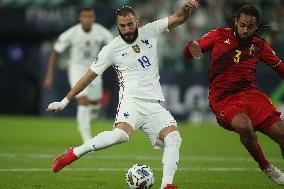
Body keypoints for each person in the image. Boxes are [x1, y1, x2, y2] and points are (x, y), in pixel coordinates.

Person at [47, 1, 199, 189]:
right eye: (122, 26)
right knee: (121, 135)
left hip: (153, 104)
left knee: (174, 138)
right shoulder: (111, 49)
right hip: (131, 100)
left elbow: (178, 18)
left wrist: (185, 10)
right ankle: (73, 153)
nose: (126, 29)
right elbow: (87, 77)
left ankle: (167, 185)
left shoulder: (150, 31)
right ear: (117, 26)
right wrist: (64, 101)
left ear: (137, 22)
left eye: (130, 24)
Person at [183, 5, 284, 185]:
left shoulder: (260, 45)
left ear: (256, 27)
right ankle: (266, 167)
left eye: (250, 27)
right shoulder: (219, 35)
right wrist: (191, 46)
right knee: (244, 126)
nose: (245, 30)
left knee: (282, 134)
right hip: (223, 98)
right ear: (236, 22)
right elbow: (189, 51)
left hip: (251, 95)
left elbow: (280, 68)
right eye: (242, 25)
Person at [43, 8, 114, 143]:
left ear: (94, 18)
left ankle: (85, 121)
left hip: (94, 69)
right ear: (80, 18)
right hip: (76, 68)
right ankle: (87, 139)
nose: (87, 19)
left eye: (90, 17)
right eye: (84, 17)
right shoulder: (71, 33)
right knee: (82, 99)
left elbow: (114, 46)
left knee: (95, 103)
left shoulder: (101, 31)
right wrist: (49, 74)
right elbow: (55, 52)